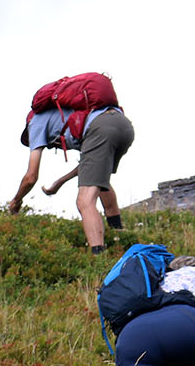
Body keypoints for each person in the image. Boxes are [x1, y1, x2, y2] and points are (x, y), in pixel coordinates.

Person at [8, 101, 135, 254]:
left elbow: (31, 177)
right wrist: (60, 182)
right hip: (123, 125)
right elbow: (88, 166)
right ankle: (119, 235)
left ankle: (99, 256)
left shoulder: (35, 124)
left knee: (84, 200)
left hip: (101, 128)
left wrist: (16, 200)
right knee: (98, 179)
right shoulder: (69, 118)